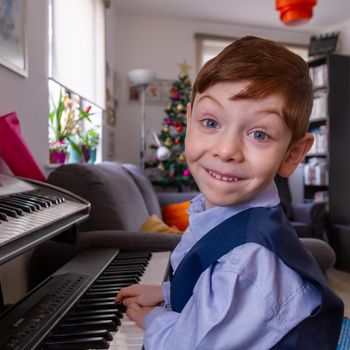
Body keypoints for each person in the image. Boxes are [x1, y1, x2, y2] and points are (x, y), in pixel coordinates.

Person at [115, 36, 344, 349]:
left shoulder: (245, 264)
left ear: (292, 154)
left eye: (259, 134)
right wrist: (166, 293)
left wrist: (153, 320)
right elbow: (207, 283)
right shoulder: (218, 216)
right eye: (210, 122)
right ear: (189, 120)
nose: (226, 150)